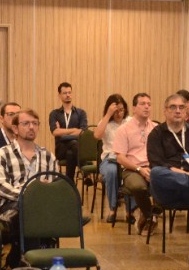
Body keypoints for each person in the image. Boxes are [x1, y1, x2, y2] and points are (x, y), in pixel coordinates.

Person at [0, 108, 59, 268]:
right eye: (26, 123)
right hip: (11, 205)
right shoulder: (2, 154)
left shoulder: (48, 156)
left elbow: (56, 185)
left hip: (43, 205)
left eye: (35, 123)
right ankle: (34, 259)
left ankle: (21, 255)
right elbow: (0, 185)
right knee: (28, 208)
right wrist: (27, 194)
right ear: (15, 128)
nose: (31, 127)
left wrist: (41, 193)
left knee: (35, 208)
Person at [147, 94, 189, 256]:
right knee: (156, 173)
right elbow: (157, 163)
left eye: (181, 107)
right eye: (173, 107)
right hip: (168, 190)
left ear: (186, 110)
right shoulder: (156, 133)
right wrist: (187, 175)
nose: (177, 111)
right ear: (165, 111)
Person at [114, 92, 156, 232]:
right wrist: (139, 169)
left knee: (166, 183)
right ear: (133, 108)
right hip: (132, 169)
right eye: (142, 104)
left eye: (149, 104)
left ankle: (146, 213)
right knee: (139, 187)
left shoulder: (155, 128)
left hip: (153, 167)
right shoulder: (123, 129)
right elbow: (120, 158)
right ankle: (150, 216)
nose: (147, 107)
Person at [93, 93, 129, 222]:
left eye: (121, 110)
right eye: (116, 111)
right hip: (110, 158)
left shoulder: (130, 121)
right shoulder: (105, 122)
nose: (119, 114)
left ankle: (129, 211)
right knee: (112, 171)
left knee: (131, 173)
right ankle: (112, 209)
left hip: (127, 158)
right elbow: (97, 136)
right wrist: (108, 115)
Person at [49, 82, 88, 182]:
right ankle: (85, 170)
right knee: (74, 143)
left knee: (71, 153)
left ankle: (69, 183)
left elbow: (83, 132)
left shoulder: (81, 113)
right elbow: (55, 132)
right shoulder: (54, 113)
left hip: (75, 149)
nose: (68, 95)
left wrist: (63, 133)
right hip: (61, 148)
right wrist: (74, 130)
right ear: (59, 95)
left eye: (69, 92)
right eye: (65, 93)